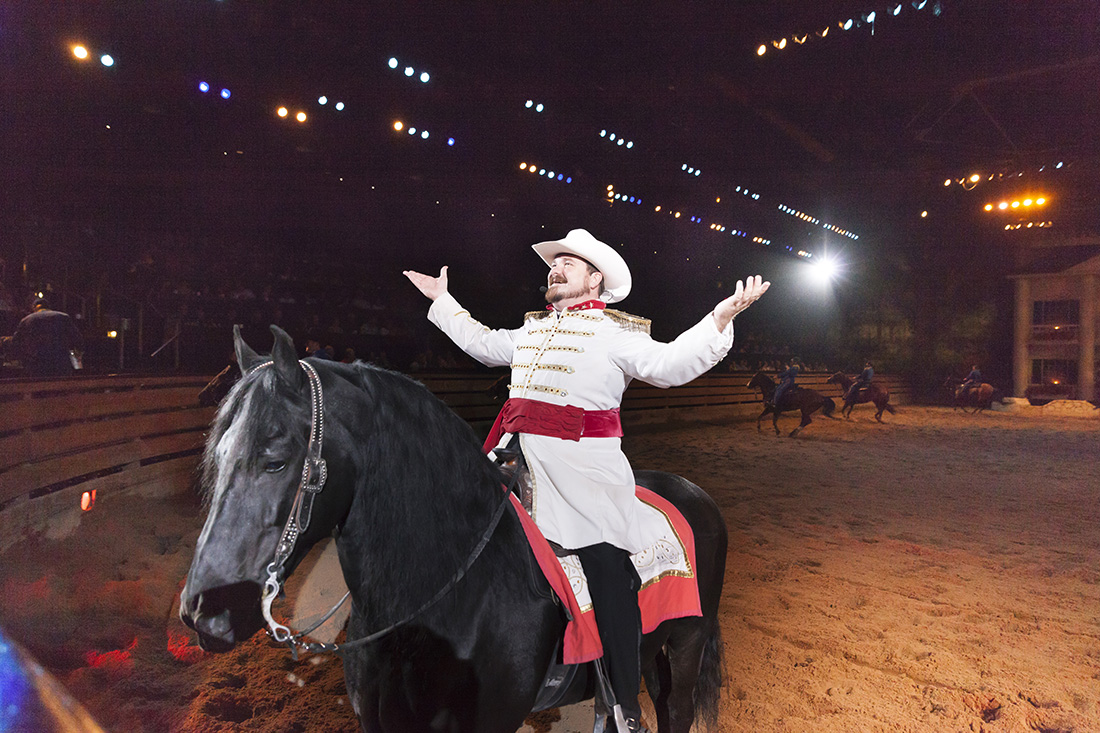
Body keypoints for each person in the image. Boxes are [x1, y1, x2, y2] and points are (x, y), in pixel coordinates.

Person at [405, 228, 769, 733]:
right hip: (517, 459)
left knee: (606, 562)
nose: (554, 270)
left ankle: (622, 706)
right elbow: (483, 343)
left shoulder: (616, 334)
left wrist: (719, 319)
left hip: (585, 472)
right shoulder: (532, 330)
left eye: (567, 264)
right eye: (553, 265)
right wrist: (443, 301)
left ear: (594, 279)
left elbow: (669, 365)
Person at [8, 297, 83, 378]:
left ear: (34, 307)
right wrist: (77, 355)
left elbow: (16, 341)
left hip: (37, 362)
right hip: (60, 360)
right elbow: (77, 338)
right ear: (48, 307)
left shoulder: (27, 320)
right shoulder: (63, 317)